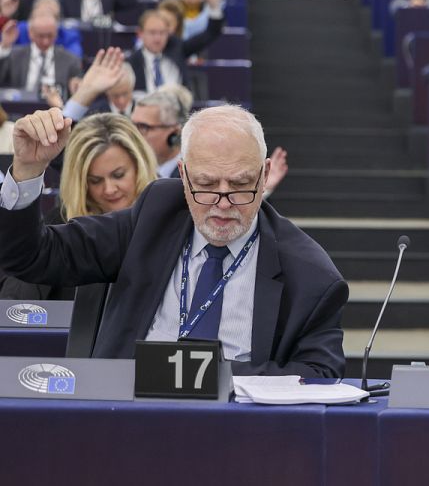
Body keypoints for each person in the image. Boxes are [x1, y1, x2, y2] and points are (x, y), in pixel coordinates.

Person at [0, 105, 349, 376]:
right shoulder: (156, 213)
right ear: (182, 174)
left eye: (240, 184)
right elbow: (33, 256)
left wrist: (218, 379)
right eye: (207, 185)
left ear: (265, 173)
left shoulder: (310, 275)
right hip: (125, 426)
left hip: (238, 436)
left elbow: (320, 376)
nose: (223, 204)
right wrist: (28, 171)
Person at [0, 112, 157, 300]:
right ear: (80, 182)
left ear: (140, 166)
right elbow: (15, 302)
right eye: (95, 180)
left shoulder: (166, 222)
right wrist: (26, 169)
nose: (109, 189)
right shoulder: (59, 229)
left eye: (118, 175)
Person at [127, 0, 230, 92]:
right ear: (140, 34)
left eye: (162, 32)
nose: (157, 38)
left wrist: (213, 4)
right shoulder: (130, 62)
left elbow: (211, 33)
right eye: (152, 32)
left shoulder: (177, 48)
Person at [0, 12, 82, 94]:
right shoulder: (14, 55)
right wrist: (4, 46)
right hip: (21, 104)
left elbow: (78, 87)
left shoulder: (70, 60)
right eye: (41, 36)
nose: (45, 41)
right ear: (30, 33)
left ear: (56, 33)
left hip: (56, 105)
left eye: (50, 35)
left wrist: (76, 86)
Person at [58, 47, 133, 120]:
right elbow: (68, 123)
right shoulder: (94, 115)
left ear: (132, 88)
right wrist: (86, 91)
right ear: (107, 93)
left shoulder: (142, 109)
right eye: (115, 96)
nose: (121, 101)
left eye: (125, 93)